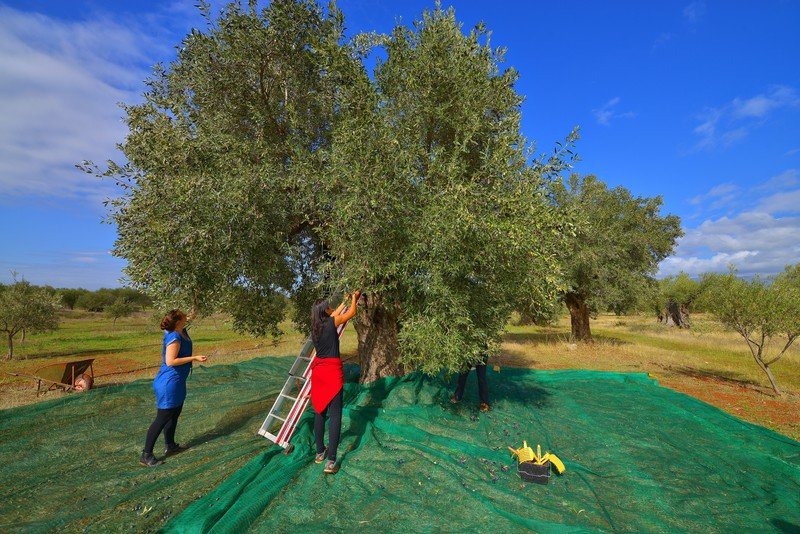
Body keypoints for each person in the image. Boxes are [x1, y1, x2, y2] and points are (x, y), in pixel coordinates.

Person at [140, 309, 207, 467]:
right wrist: (194, 358)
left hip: (177, 381)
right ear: (177, 322)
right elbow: (170, 361)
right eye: (184, 318)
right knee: (162, 418)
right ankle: (146, 454)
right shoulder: (174, 336)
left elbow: (190, 316)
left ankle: (170, 446)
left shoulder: (180, 329)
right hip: (169, 382)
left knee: (174, 414)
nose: (187, 319)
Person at [310, 291, 361, 475]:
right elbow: (351, 313)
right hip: (331, 374)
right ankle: (331, 460)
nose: (332, 309)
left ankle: (319, 453)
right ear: (325, 311)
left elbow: (335, 313)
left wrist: (345, 298)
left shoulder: (315, 327)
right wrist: (354, 299)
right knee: (336, 415)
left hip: (319, 374)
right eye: (329, 307)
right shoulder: (332, 323)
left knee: (319, 411)